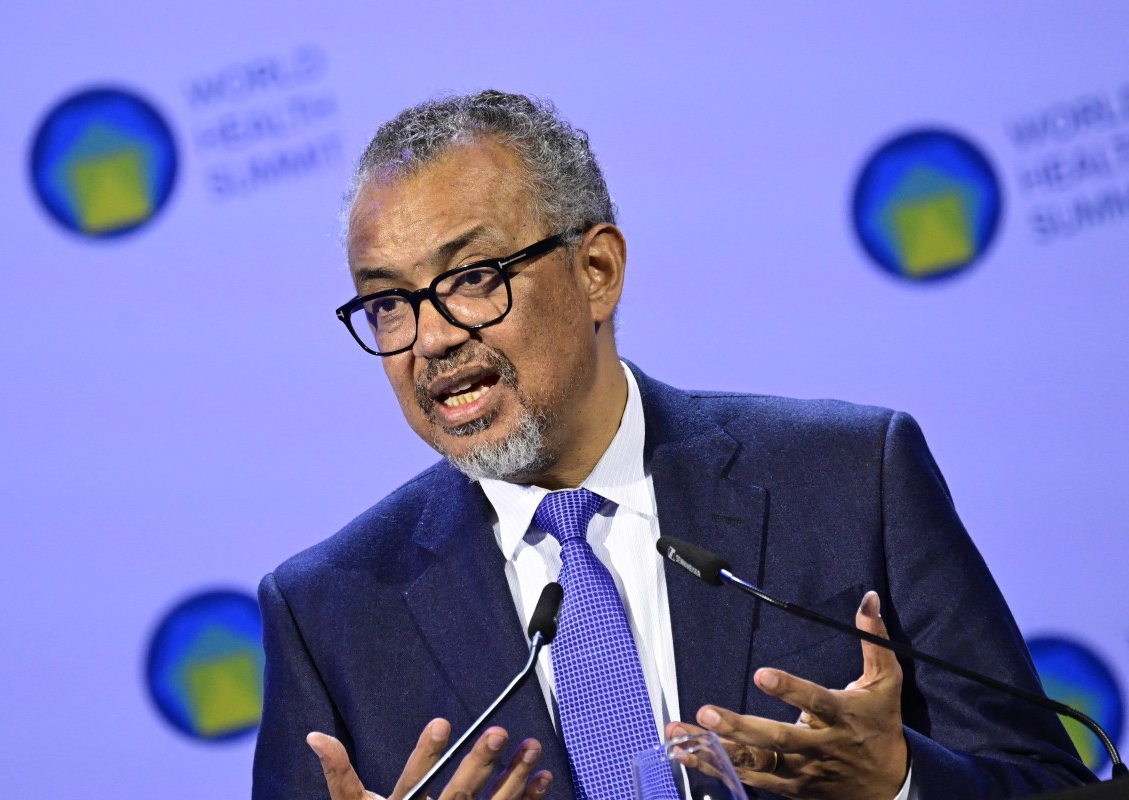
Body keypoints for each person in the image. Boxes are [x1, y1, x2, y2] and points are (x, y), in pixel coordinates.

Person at [252, 91, 1092, 800]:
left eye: (472, 279)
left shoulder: (850, 478)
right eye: (388, 304)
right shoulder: (329, 612)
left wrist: (900, 780)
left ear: (597, 272)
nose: (428, 338)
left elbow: (1044, 779)